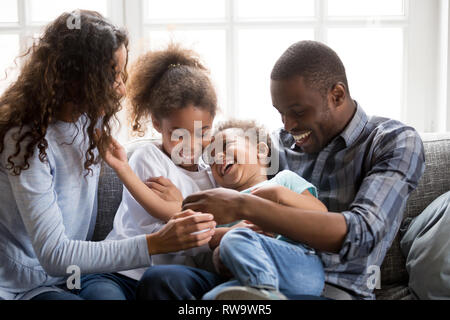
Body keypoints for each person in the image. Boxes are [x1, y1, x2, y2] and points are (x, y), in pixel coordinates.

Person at [144, 40, 426, 300]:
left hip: (331, 289)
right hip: (253, 271)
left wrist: (245, 206)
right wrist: (178, 204)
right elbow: (219, 162)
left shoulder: (391, 141)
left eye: (298, 112)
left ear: (337, 95)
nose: (288, 125)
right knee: (163, 279)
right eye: (280, 113)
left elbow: (361, 234)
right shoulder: (275, 145)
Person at [0, 11, 214, 300]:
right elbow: (54, 255)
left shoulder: (89, 120)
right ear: (76, 78)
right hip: (23, 285)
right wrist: (154, 243)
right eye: (111, 76)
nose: (122, 89)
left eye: (121, 75)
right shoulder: (24, 141)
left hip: (72, 277)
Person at [87, 44, 257, 300]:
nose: (191, 145)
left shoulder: (212, 175)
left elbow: (212, 231)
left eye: (203, 132)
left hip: (168, 282)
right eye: (179, 135)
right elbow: (160, 210)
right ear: (157, 123)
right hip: (120, 272)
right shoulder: (148, 156)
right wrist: (179, 207)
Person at [198, 119, 328, 299]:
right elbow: (209, 238)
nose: (218, 157)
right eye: (211, 159)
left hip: (299, 269)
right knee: (210, 298)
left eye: (226, 146)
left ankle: (264, 291)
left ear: (260, 151)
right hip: (247, 279)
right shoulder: (223, 203)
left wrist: (279, 194)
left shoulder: (283, 181)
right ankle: (263, 292)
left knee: (234, 239)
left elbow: (322, 215)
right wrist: (230, 233)